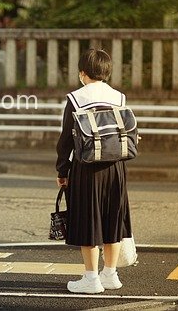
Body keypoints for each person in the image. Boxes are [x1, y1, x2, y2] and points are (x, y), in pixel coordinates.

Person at [55, 49, 133, 294]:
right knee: (113, 218)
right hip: (116, 167)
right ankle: (110, 274)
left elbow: (66, 138)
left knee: (88, 220)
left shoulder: (76, 98)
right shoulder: (119, 97)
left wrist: (62, 168)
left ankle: (91, 279)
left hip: (86, 167)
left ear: (82, 73)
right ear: (107, 72)